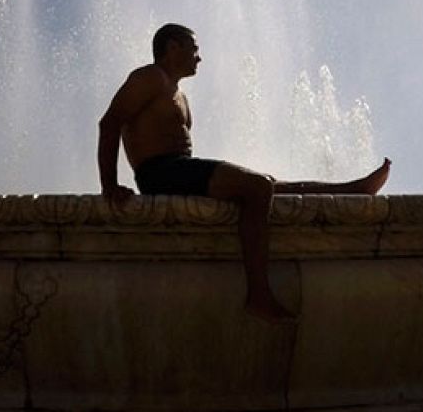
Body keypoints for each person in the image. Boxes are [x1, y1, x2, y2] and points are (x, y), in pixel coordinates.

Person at [98, 23, 391, 322]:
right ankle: (258, 295)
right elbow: (109, 123)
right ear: (173, 48)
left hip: (179, 169)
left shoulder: (178, 94)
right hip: (160, 172)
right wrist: (109, 186)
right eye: (194, 49)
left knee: (267, 185)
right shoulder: (150, 78)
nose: (199, 58)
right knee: (258, 187)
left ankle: (351, 190)